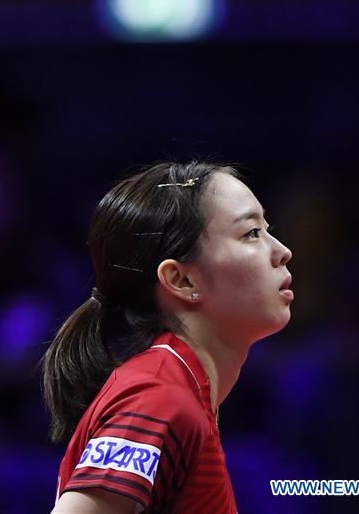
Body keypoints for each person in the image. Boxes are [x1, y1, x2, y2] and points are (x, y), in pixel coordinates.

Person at [43, 161, 293, 513]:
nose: (282, 251)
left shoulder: (181, 390)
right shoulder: (159, 397)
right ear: (182, 280)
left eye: (268, 229)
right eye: (251, 233)